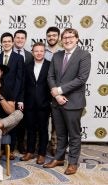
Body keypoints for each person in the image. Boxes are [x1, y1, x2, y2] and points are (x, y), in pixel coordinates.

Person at [44, 28, 91, 175]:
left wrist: (60, 90)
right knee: (61, 133)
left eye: (70, 37)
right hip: (57, 101)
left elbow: (81, 79)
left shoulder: (84, 55)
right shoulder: (57, 55)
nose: (67, 40)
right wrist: (56, 94)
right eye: (64, 38)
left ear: (77, 38)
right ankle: (59, 158)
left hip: (73, 102)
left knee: (74, 134)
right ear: (61, 40)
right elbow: (50, 76)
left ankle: (72, 162)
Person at [20, 42, 51, 165]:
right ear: (32, 52)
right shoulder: (27, 66)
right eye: (36, 51)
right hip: (29, 103)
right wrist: (22, 100)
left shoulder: (50, 65)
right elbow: (23, 84)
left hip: (44, 103)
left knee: (43, 129)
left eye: (41, 51)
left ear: (44, 52)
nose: (39, 53)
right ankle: (30, 151)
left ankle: (42, 154)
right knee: (30, 129)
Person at [0, 32, 24, 160]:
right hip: (0, 95)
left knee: (12, 121)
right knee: (1, 120)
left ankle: (11, 149)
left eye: (8, 41)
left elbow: (20, 79)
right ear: (1, 43)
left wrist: (17, 97)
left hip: (13, 95)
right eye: (4, 41)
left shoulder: (18, 58)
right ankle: (1, 148)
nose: (6, 43)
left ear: (12, 43)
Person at [11, 29, 34, 155]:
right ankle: (10, 145)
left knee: (22, 121)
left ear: (25, 40)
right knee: (10, 120)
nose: (19, 40)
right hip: (11, 94)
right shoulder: (7, 54)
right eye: (17, 37)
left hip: (26, 94)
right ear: (14, 39)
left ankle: (21, 143)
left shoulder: (30, 55)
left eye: (22, 38)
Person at [44, 26, 63, 156]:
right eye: (49, 35)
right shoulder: (42, 52)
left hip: (58, 91)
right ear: (46, 37)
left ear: (58, 37)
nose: (51, 38)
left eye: (54, 35)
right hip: (44, 92)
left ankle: (55, 145)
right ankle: (42, 145)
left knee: (57, 121)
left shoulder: (63, 52)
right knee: (43, 120)